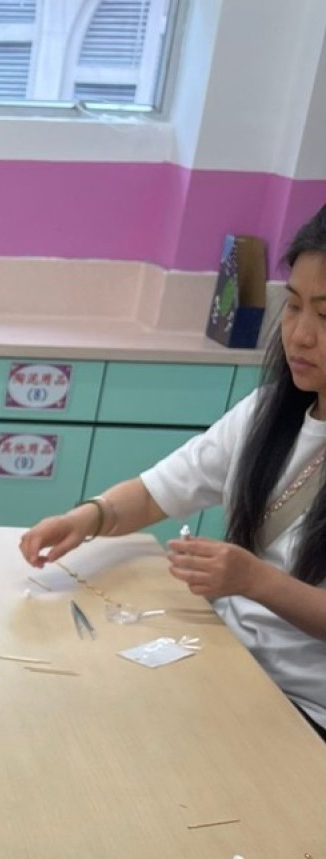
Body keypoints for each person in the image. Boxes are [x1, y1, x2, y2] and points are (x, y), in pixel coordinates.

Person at [20, 206, 326, 737]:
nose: (299, 335)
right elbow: (155, 492)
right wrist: (87, 518)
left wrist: (254, 580)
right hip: (224, 660)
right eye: (294, 306)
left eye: (325, 316)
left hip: (302, 709)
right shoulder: (267, 411)